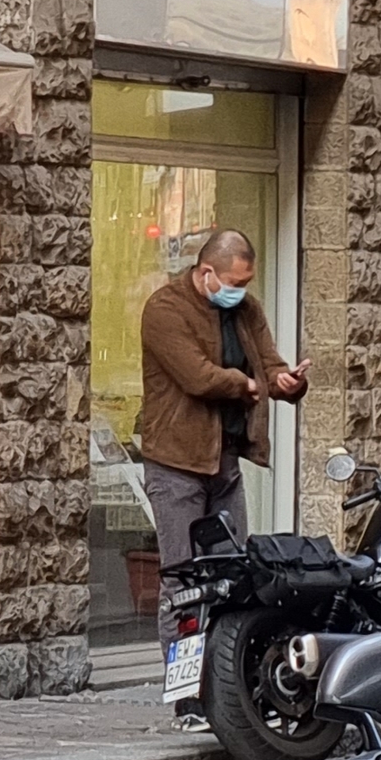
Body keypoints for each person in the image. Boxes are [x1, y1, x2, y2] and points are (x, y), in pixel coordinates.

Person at [135, 228, 308, 581]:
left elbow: (268, 363)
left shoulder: (247, 308)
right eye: (234, 282)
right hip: (175, 463)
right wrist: (246, 384)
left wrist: (286, 382)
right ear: (206, 273)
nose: (240, 291)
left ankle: (224, 638)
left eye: (247, 282)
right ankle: (177, 640)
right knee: (183, 579)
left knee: (231, 574)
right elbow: (197, 377)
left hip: (224, 461)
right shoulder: (165, 308)